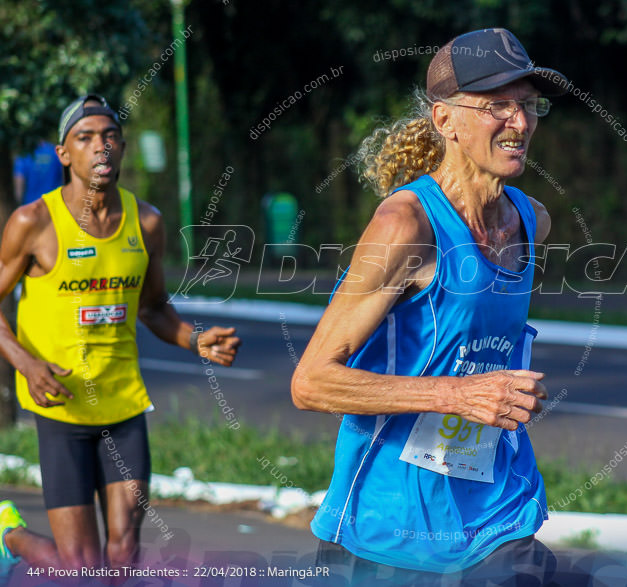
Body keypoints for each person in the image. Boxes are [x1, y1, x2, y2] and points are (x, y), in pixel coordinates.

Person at [292, 28, 568, 584]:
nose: (520, 123)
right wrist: (459, 395)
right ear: (446, 120)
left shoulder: (531, 219)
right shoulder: (406, 226)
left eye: (528, 105)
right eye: (497, 106)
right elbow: (312, 383)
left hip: (496, 511)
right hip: (389, 527)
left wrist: (493, 394)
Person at [0, 94, 241, 570]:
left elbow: (153, 308)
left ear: (123, 147)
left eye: (109, 136)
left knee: (123, 555)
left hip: (123, 404)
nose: (100, 147)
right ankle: (9, 534)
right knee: (81, 568)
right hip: (63, 407)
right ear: (63, 153)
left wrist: (195, 339)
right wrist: (25, 363)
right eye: (85, 138)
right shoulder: (33, 222)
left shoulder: (146, 222)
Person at [13, 139, 63, 206]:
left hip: (30, 206)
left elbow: (19, 183)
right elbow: (64, 178)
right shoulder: (54, 151)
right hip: (55, 204)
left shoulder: (24, 154)